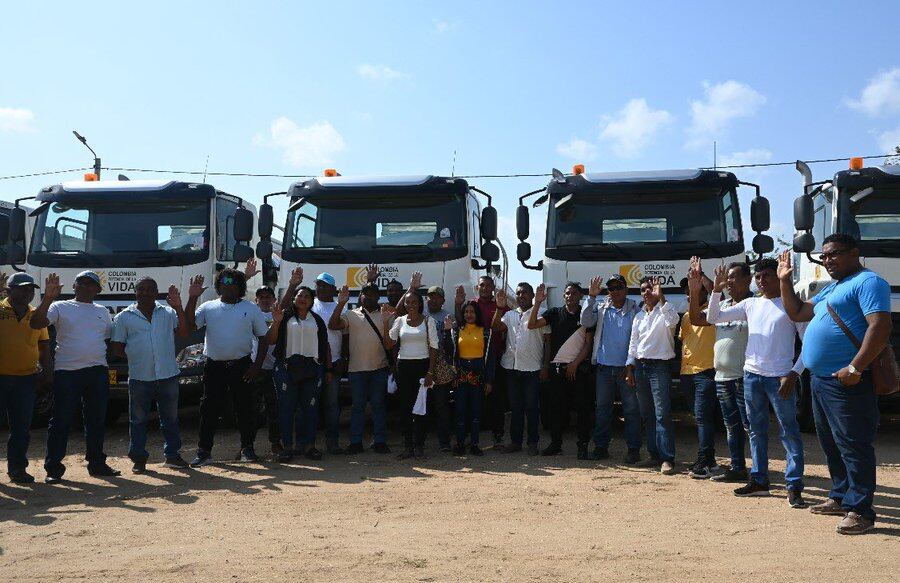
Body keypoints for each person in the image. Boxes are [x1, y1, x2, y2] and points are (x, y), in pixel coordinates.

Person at [779, 236, 892, 535]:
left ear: (855, 253)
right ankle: (842, 496)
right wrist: (784, 280)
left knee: (854, 445)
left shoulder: (869, 282)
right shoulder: (833, 287)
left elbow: (880, 325)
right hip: (821, 380)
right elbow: (797, 313)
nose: (828, 261)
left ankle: (861, 511)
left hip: (849, 381)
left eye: (834, 255)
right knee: (831, 443)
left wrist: (856, 367)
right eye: (824, 257)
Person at [706, 258, 808, 508]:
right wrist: (717, 289)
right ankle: (760, 481)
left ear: (779, 276)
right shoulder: (750, 304)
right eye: (758, 277)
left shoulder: (791, 306)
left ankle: (793, 485)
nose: (761, 281)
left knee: (789, 432)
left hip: (780, 378)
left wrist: (794, 374)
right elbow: (713, 317)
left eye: (767, 276)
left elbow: (808, 344)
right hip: (752, 376)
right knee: (756, 431)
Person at [31, 271, 119, 482]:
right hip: (67, 372)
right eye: (82, 283)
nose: (86, 287)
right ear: (74, 286)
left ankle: (97, 464)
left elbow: (106, 338)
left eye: (91, 284)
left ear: (98, 290)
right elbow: (36, 323)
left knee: (96, 420)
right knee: (61, 420)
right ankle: (53, 469)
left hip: (97, 371)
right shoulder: (59, 307)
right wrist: (48, 297)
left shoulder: (103, 311)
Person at [185, 269, 270, 467]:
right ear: (218, 285)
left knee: (245, 409)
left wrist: (256, 367)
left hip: (242, 366)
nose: (227, 285)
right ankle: (204, 452)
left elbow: (264, 339)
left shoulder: (251, 308)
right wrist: (192, 298)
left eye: (232, 282)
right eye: (223, 282)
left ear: (240, 286)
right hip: (214, 367)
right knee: (209, 410)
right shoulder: (208, 307)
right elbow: (190, 327)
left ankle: (247, 449)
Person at [110, 277, 190, 473]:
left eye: (149, 289)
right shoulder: (123, 317)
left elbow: (184, 333)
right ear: (135, 292)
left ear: (156, 293)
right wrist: (137, 355)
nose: (145, 292)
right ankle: (138, 459)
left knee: (170, 419)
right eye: (141, 289)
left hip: (167, 375)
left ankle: (172, 455)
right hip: (139, 377)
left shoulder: (168, 312)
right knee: (138, 420)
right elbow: (117, 348)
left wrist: (179, 306)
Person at [688, 259, 752, 484]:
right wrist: (695, 292)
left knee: (750, 426)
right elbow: (696, 319)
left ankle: (760, 472)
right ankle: (737, 468)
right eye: (728, 278)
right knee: (731, 426)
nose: (730, 281)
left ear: (749, 279)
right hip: (723, 377)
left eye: (734, 277)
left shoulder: (754, 305)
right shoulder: (722, 306)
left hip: (746, 376)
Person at [581, 274, 646, 464]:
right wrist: (591, 297)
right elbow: (586, 322)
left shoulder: (635, 308)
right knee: (603, 410)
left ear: (626, 289)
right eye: (611, 288)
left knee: (632, 411)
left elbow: (638, 340)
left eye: (619, 287)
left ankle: (633, 450)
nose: (615, 291)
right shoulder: (601, 306)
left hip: (627, 369)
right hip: (604, 369)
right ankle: (601, 448)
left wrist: (631, 365)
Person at [528, 282, 594, 459]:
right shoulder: (554, 313)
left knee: (582, 409)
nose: (570, 296)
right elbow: (532, 324)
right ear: (563, 296)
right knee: (556, 409)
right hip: (556, 370)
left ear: (580, 296)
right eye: (567, 293)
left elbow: (588, 344)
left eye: (573, 293)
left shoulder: (586, 315)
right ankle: (556, 444)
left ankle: (583, 446)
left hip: (578, 369)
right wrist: (537, 303)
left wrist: (575, 364)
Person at [267, 285, 331, 462]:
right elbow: (271, 340)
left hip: (312, 368)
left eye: (307, 296)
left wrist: (327, 369)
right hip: (287, 369)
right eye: (299, 295)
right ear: (294, 298)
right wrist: (277, 322)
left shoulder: (317, 320)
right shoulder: (284, 316)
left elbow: (325, 345)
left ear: (312, 301)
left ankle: (309, 446)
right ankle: (287, 447)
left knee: (310, 409)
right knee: (286, 409)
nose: (303, 298)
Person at [329, 282, 391, 455]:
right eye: (365, 293)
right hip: (356, 370)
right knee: (358, 407)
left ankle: (380, 441)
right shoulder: (350, 314)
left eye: (372, 294)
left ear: (378, 297)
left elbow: (390, 343)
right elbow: (333, 325)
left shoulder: (385, 314)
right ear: (360, 296)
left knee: (378, 405)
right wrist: (341, 303)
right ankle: (355, 442)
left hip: (379, 368)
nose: (368, 296)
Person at [624, 278, 679, 475]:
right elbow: (633, 344)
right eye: (643, 290)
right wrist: (630, 368)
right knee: (647, 415)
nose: (646, 292)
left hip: (659, 367)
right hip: (640, 367)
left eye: (650, 289)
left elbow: (673, 322)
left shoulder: (666, 310)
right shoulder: (638, 316)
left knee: (662, 414)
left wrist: (661, 297)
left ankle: (667, 459)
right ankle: (654, 455)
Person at [0, 273, 51, 483]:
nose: (28, 292)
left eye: (31, 289)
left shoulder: (35, 314)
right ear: (8, 290)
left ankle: (17, 470)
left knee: (21, 428)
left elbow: (44, 346)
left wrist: (48, 373)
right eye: (22, 288)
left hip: (26, 380)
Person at [492, 283, 549, 456]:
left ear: (532, 295)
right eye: (518, 293)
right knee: (516, 408)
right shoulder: (509, 314)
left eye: (525, 292)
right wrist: (499, 308)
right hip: (511, 367)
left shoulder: (542, 313)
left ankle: (532, 443)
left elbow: (548, 341)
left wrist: (545, 365)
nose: (521, 295)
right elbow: (495, 327)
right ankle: (516, 442)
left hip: (532, 368)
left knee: (532, 407)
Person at [383, 291, 439, 459]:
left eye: (414, 302)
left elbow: (434, 347)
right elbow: (388, 344)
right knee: (405, 408)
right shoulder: (399, 321)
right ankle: (408, 446)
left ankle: (419, 445)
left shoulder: (429, 321)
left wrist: (430, 371)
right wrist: (386, 323)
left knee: (421, 408)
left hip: (423, 367)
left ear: (420, 303)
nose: (411, 305)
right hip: (403, 367)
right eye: (408, 302)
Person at [456, 275, 508, 447]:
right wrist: (458, 304)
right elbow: (460, 325)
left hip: (495, 357)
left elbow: (500, 328)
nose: (484, 288)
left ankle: (497, 434)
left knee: (496, 399)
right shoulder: (472, 304)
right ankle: (468, 439)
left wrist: (500, 308)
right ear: (477, 288)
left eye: (488, 285)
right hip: (471, 361)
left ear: (493, 287)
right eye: (481, 285)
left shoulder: (501, 306)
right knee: (470, 403)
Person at [679, 272, 719, 479]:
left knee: (704, 418)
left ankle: (705, 461)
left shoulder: (714, 312)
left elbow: (713, 289)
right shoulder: (687, 316)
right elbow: (685, 342)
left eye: (694, 288)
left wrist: (699, 274)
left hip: (706, 372)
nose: (690, 292)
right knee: (699, 418)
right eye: (687, 290)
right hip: (687, 373)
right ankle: (708, 460)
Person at [444, 302, 495, 456]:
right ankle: (460, 444)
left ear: (477, 314)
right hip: (460, 376)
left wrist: (489, 381)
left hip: (478, 376)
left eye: (472, 311)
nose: (469, 314)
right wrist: (447, 332)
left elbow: (491, 358)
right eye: (466, 311)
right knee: (460, 411)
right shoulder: (456, 331)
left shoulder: (486, 332)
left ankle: (474, 444)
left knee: (476, 411)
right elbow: (449, 351)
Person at [311, 271, 346, 455]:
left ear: (333, 288)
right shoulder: (309, 304)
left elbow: (346, 336)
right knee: (310, 404)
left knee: (332, 405)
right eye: (319, 285)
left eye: (325, 285)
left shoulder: (342, 307)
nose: (321, 288)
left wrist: (344, 359)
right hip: (312, 363)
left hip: (334, 363)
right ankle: (309, 444)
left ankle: (332, 443)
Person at [251, 284, 283, 457]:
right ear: (256, 300)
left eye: (268, 296)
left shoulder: (279, 315)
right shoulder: (250, 315)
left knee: (274, 410)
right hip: (254, 369)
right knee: (251, 410)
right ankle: (247, 446)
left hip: (274, 369)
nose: (264, 299)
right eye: (261, 297)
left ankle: (276, 444)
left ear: (274, 300)